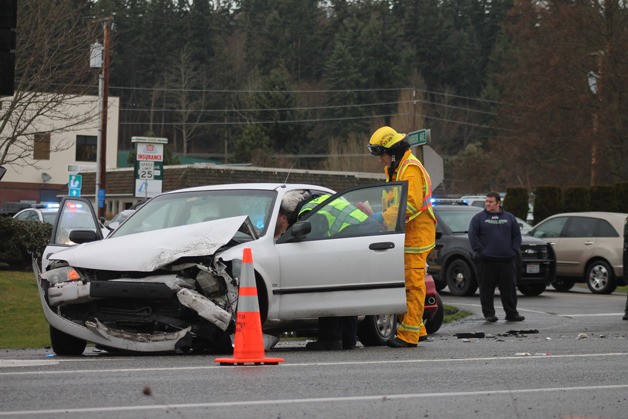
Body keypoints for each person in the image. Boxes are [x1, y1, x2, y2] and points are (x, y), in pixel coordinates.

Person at [368, 126, 437, 348]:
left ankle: (410, 336)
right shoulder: (397, 169)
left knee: (413, 286)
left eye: (382, 155)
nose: (381, 161)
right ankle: (419, 328)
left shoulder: (410, 169)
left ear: (393, 151)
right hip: (405, 235)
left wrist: (381, 218)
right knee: (406, 284)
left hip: (416, 237)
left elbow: (410, 205)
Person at [298, 194, 366, 350]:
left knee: (329, 288)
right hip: (361, 238)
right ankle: (348, 339)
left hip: (351, 239)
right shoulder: (322, 200)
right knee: (346, 290)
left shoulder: (308, 210)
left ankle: (330, 338)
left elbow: (315, 236)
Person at [468, 191, 525, 322]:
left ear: (498, 203)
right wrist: (480, 251)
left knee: (509, 289)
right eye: (486, 202)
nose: (487, 204)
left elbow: (516, 235)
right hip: (486, 261)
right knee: (486, 289)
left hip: (507, 260)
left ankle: (512, 314)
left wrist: (514, 250)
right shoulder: (478, 218)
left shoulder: (509, 217)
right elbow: (473, 235)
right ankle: (489, 314)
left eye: (490, 202)